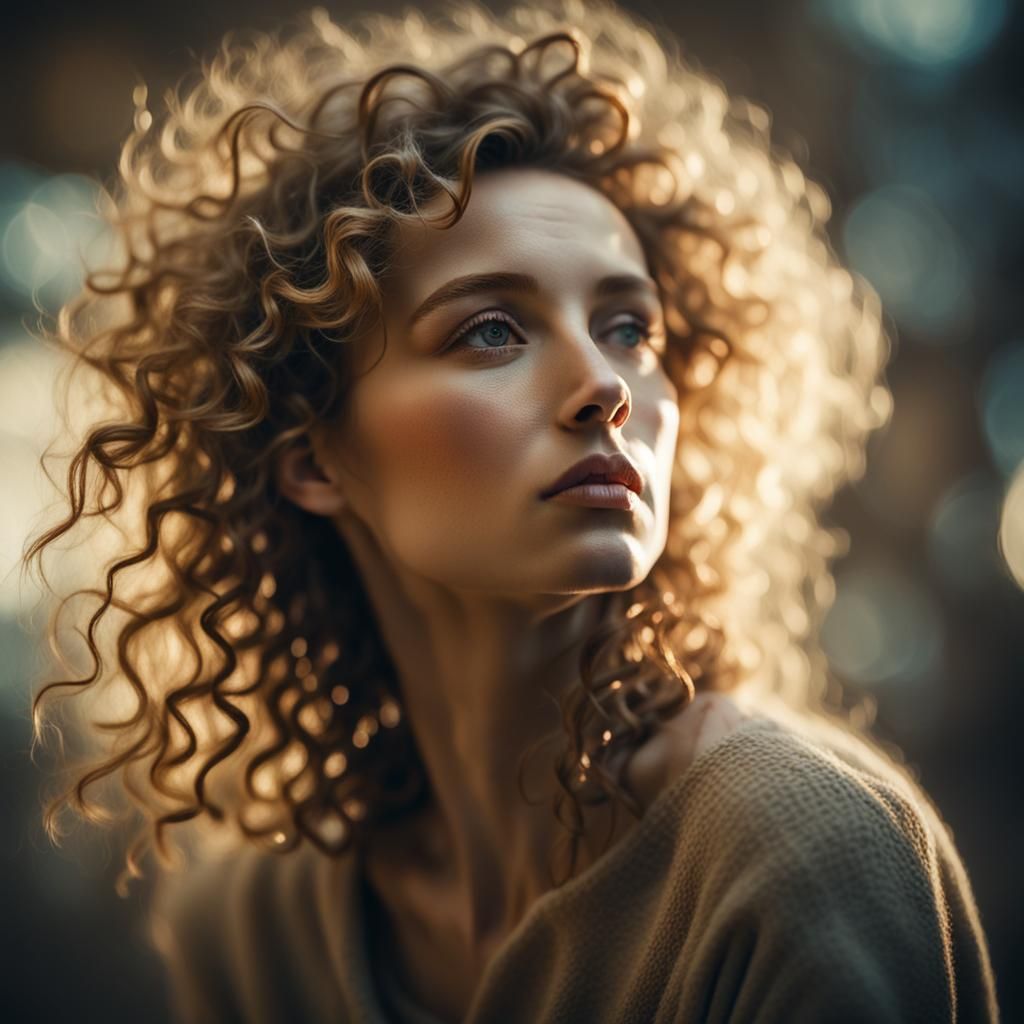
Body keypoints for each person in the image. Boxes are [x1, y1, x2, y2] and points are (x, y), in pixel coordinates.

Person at [27, 0, 1001, 1021]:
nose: (605, 385)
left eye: (629, 327)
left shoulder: (793, 854)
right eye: (492, 330)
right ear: (309, 457)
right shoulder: (256, 924)